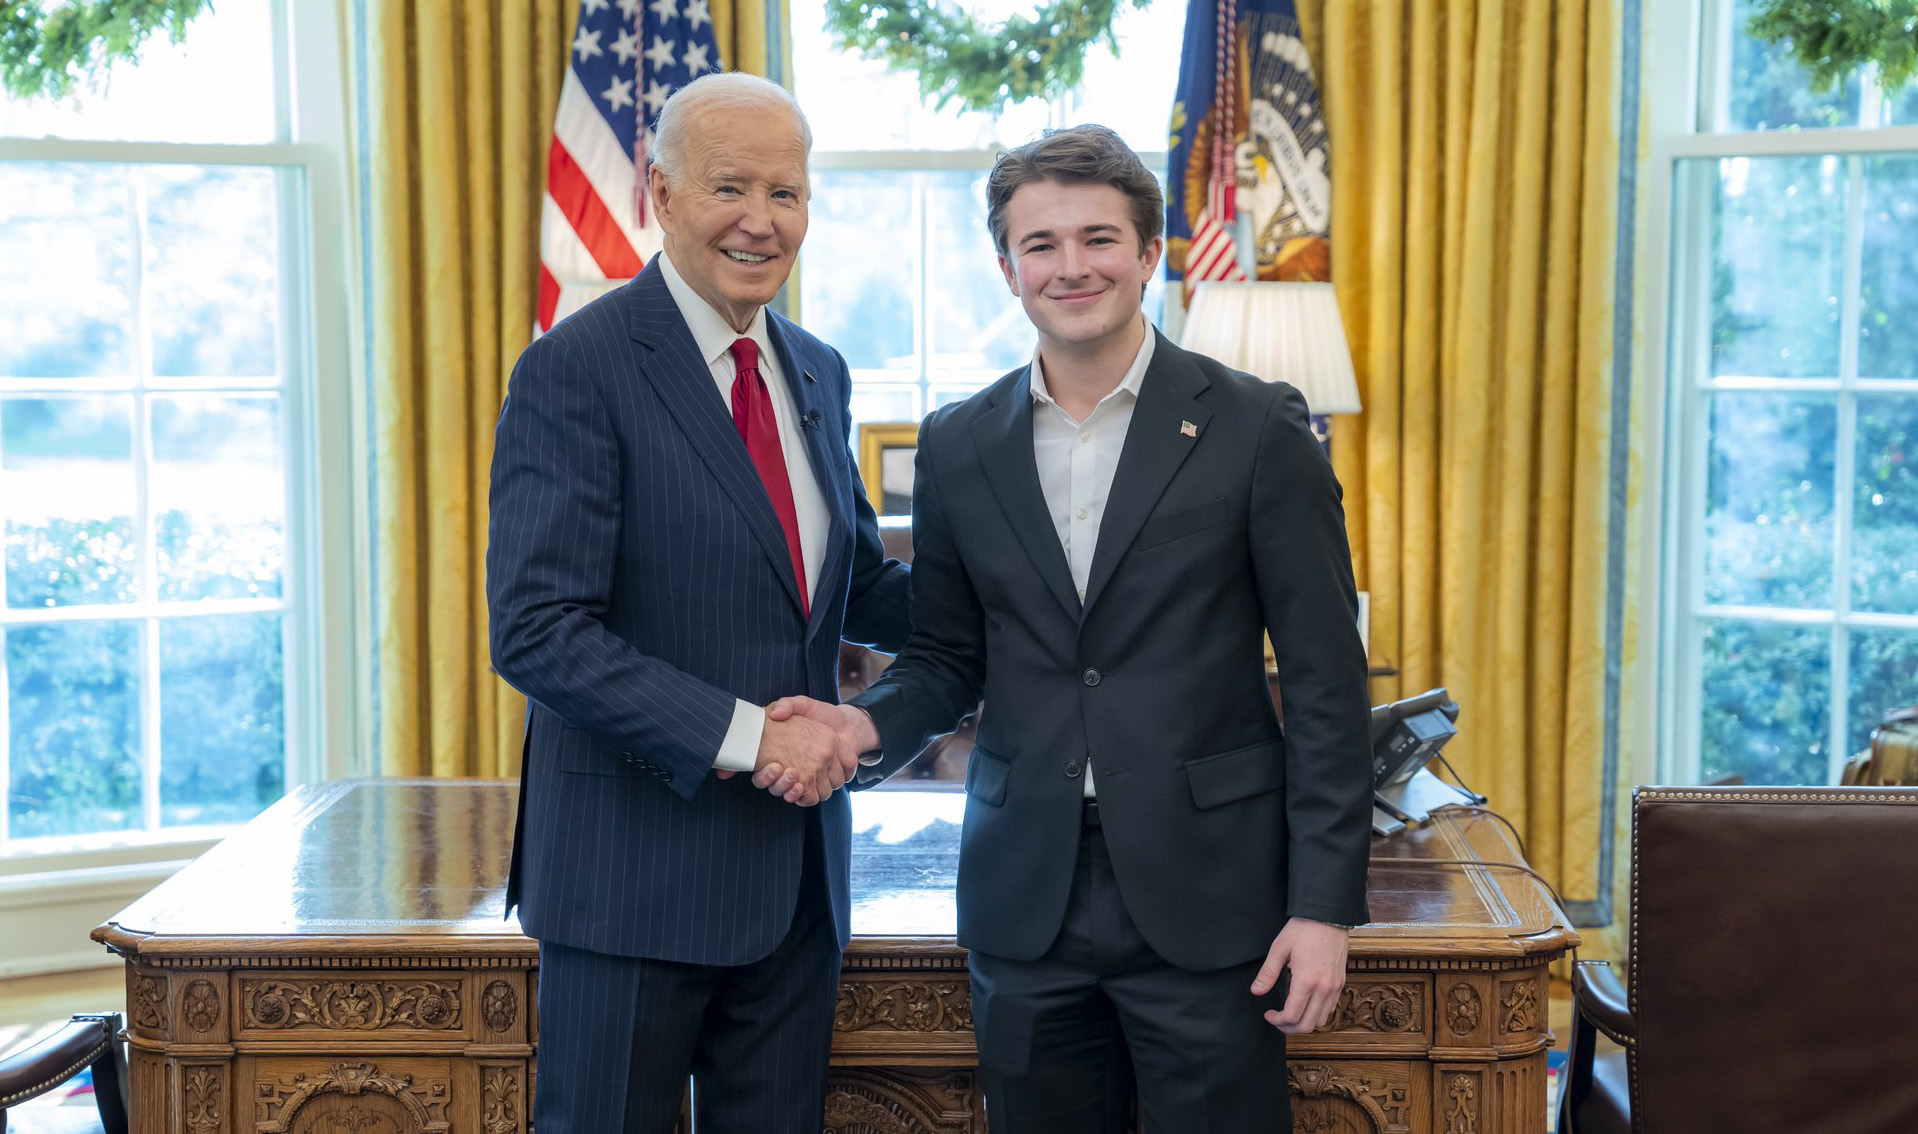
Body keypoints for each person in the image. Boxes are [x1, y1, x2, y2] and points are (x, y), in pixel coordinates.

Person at [772, 123, 1373, 1133]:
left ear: (1149, 253)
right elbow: (947, 657)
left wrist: (1322, 907)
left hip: (1211, 894)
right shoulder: (959, 443)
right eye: (1040, 244)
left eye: (1099, 238)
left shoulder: (1256, 427)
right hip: (1024, 896)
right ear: (1008, 270)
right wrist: (863, 726)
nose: (1071, 266)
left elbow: (1325, 683)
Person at [486, 72, 911, 1134]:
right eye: (731, 187)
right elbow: (538, 631)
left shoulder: (815, 371)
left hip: (797, 884)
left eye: (787, 193)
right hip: (632, 876)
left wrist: (1041, 600)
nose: (762, 221)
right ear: (661, 193)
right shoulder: (576, 368)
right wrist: (752, 736)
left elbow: (851, 582)